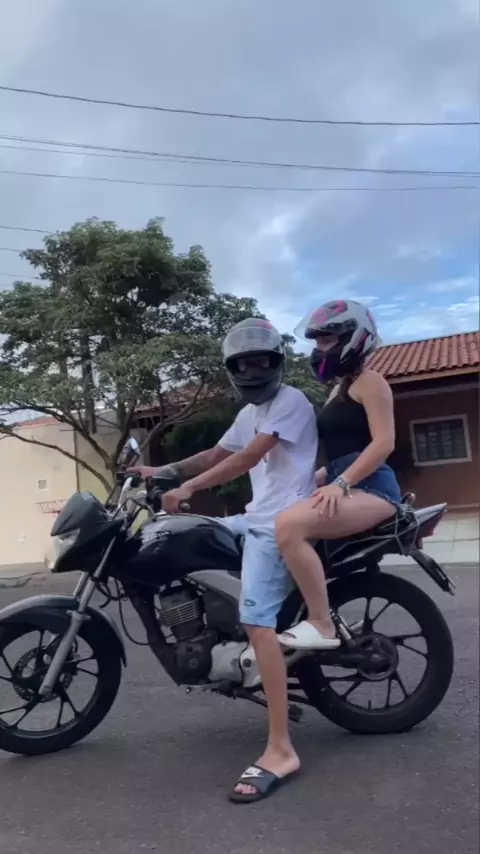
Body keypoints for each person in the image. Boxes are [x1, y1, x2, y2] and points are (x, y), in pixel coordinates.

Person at [130, 318, 321, 803]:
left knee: (257, 621)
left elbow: (246, 459)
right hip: (253, 517)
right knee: (189, 538)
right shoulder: (250, 412)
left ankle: (281, 749)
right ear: (232, 368)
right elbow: (217, 453)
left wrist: (188, 488)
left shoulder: (291, 402)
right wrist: (162, 470)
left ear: (277, 363)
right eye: (243, 363)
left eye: (262, 361)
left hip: (279, 524)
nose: (253, 370)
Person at [274, 299, 402, 650]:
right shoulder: (338, 388)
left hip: (373, 490)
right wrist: (310, 481)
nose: (319, 349)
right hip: (343, 485)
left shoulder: (371, 381)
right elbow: (338, 456)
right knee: (272, 520)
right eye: (316, 341)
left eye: (327, 339)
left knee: (289, 526)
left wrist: (342, 483)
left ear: (354, 338)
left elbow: (384, 443)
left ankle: (322, 623)